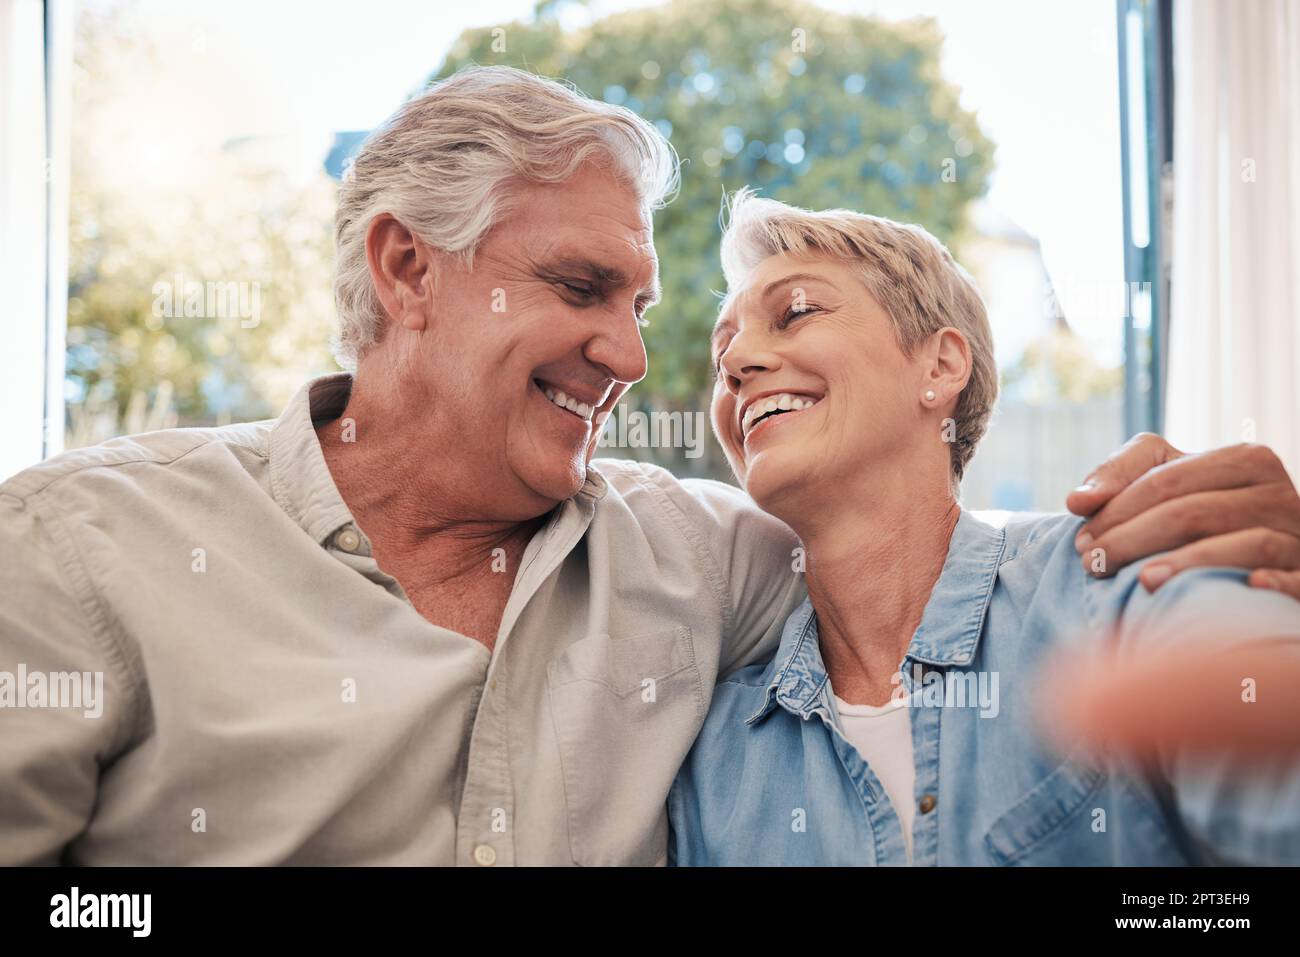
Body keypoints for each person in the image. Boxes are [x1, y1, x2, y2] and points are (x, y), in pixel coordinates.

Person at [2, 67, 1298, 866]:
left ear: (940, 363)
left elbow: (928, 557)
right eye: (579, 287)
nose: (640, 355)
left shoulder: (716, 560)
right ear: (405, 269)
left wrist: (1219, 530)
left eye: (647, 303)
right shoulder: (82, 548)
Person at [668, 191, 1300, 866]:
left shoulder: (1123, 578)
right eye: (723, 351)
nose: (736, 365)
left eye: (796, 312)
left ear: (939, 367)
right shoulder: (716, 760)